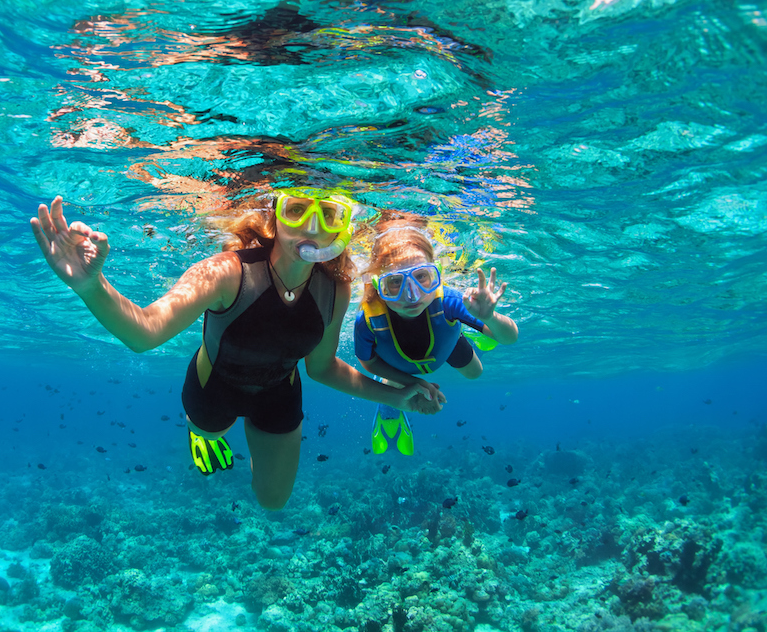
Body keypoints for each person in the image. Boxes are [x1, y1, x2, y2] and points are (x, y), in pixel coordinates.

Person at [30, 192, 441, 510]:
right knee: (210, 433)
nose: (312, 227)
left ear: (341, 229)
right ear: (276, 216)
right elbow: (145, 332)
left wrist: (397, 395)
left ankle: (240, 447)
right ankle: (202, 432)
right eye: (297, 210)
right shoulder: (228, 271)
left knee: (273, 501)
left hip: (280, 392)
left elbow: (322, 369)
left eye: (329, 215)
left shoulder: (336, 288)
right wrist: (90, 286)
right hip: (214, 387)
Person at [354, 217, 519, 456]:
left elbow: (510, 338)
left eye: (422, 277)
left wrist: (490, 318)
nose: (411, 296)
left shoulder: (450, 301)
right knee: (396, 383)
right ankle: (389, 402)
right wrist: (413, 384)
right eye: (395, 282)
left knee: (476, 373)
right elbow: (367, 362)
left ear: (437, 275)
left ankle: (474, 328)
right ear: (379, 285)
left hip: (445, 343)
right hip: (395, 364)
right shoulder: (368, 320)